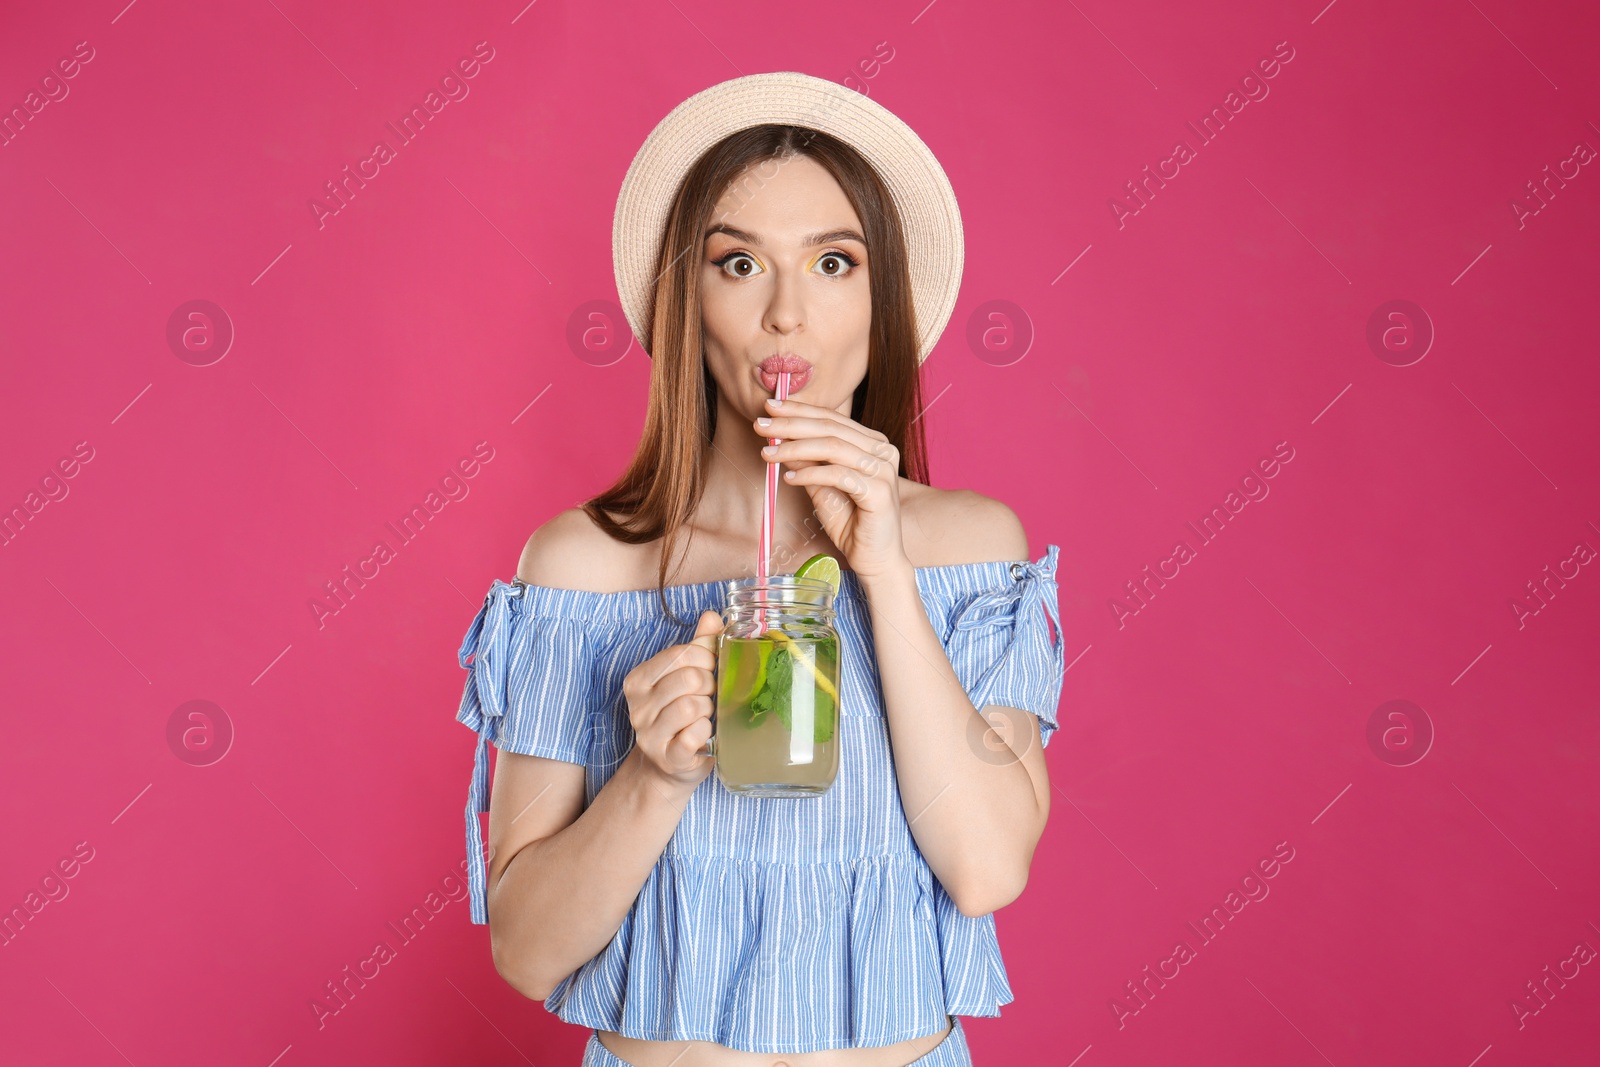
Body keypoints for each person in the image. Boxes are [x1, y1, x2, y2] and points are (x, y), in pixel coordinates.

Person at [454, 72, 1065, 1067]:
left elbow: (986, 866)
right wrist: (652, 777)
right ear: (685, 301)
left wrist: (885, 574)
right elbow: (526, 950)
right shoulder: (584, 567)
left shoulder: (968, 547)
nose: (788, 315)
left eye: (833, 262)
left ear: (884, 298)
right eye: (739, 264)